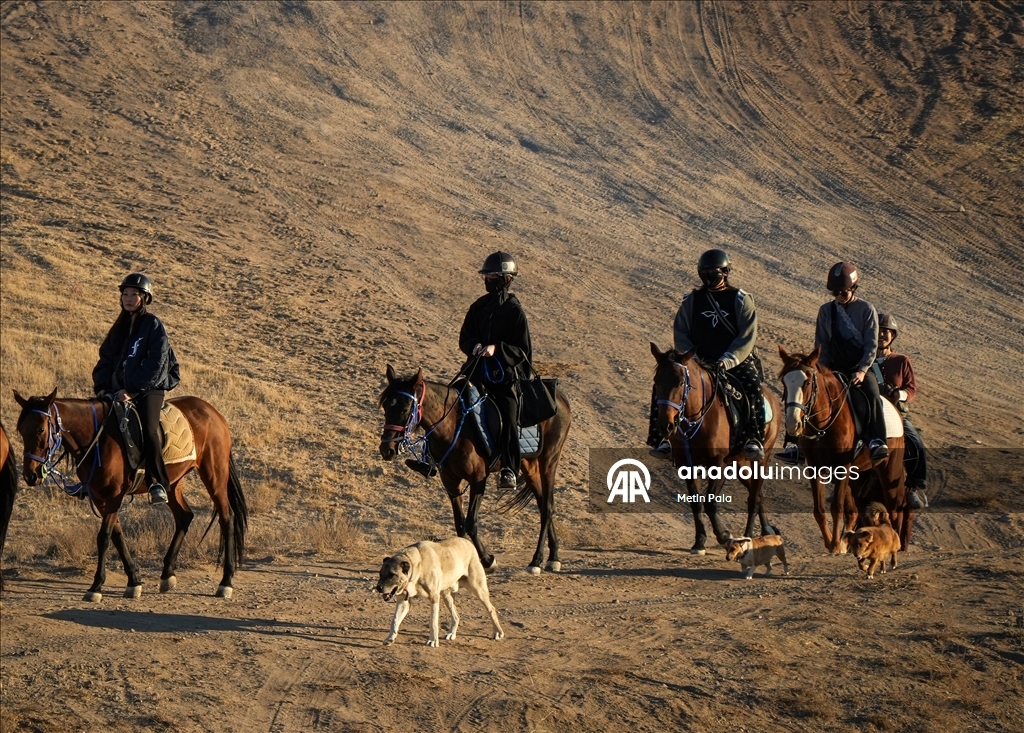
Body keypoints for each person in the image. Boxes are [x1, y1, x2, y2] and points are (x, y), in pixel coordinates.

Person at [648, 248, 766, 461]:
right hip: (698, 360)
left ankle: (753, 438)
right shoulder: (691, 301)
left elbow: (746, 337)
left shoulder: (741, 300)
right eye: (705, 273)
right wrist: (691, 359)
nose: (709, 277)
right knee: (664, 382)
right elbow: (681, 332)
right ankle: (662, 438)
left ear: (725, 272)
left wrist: (727, 360)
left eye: (714, 272)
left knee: (753, 386)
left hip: (734, 359)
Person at [92, 273, 180, 505]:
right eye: (125, 294)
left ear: (145, 299)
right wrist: (102, 387)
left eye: (135, 294)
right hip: (117, 389)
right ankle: (91, 480)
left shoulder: (152, 325)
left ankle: (157, 483)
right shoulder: (119, 328)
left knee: (149, 429)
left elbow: (156, 363)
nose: (128, 298)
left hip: (149, 389)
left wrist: (132, 390)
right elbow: (105, 359)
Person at [459, 252, 533, 489]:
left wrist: (497, 349)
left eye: (492, 275)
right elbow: (465, 338)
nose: (488, 279)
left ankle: (509, 470)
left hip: (504, 379)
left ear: (506, 279)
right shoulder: (478, 307)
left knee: (509, 417)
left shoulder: (515, 312)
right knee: (448, 401)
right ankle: (431, 457)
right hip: (476, 373)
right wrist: (476, 346)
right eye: (486, 275)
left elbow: (523, 350)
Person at [814, 262, 889, 463]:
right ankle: (797, 443)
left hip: (860, 367)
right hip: (834, 368)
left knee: (872, 392)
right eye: (835, 292)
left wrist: (863, 370)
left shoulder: (866, 310)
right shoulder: (825, 311)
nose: (838, 296)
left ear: (853, 288)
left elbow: (871, 346)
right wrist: (824, 371)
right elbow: (822, 344)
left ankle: (876, 440)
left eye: (843, 292)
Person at [875, 313, 929, 509]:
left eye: (886, 332)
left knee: (915, 442)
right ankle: (840, 485)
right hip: (870, 414)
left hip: (895, 415)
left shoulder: (901, 361)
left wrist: (901, 394)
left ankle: (915, 486)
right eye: (878, 331)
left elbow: (911, 388)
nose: (881, 335)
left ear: (893, 336)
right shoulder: (864, 360)